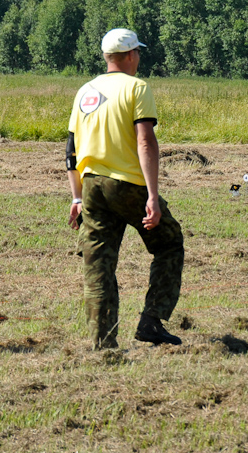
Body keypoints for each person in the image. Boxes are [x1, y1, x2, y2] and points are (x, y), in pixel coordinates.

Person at [67, 28, 184, 348]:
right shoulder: (137, 87)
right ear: (131, 55)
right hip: (127, 184)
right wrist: (152, 196)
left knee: (99, 265)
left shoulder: (85, 91)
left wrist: (76, 196)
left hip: (91, 187)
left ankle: (103, 343)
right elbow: (145, 142)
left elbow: (71, 151)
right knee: (169, 243)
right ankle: (152, 321)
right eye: (138, 53)